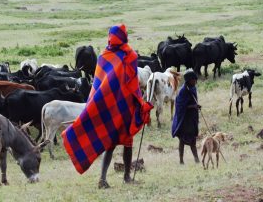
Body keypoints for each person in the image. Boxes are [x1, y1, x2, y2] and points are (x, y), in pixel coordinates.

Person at [61, 24, 153, 189]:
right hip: (125, 107)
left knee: (110, 144)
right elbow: (133, 85)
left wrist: (94, 106)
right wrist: (141, 104)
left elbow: (97, 87)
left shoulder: (104, 56)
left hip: (108, 108)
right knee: (127, 142)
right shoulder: (130, 55)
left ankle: (102, 179)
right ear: (124, 37)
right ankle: (125, 177)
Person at [171, 69, 200, 164]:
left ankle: (196, 159)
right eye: (193, 80)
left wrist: (196, 106)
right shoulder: (183, 91)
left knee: (193, 140)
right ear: (188, 80)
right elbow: (179, 106)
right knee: (182, 140)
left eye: (195, 80)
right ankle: (181, 160)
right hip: (184, 120)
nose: (195, 81)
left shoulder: (193, 88)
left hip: (191, 119)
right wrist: (193, 106)